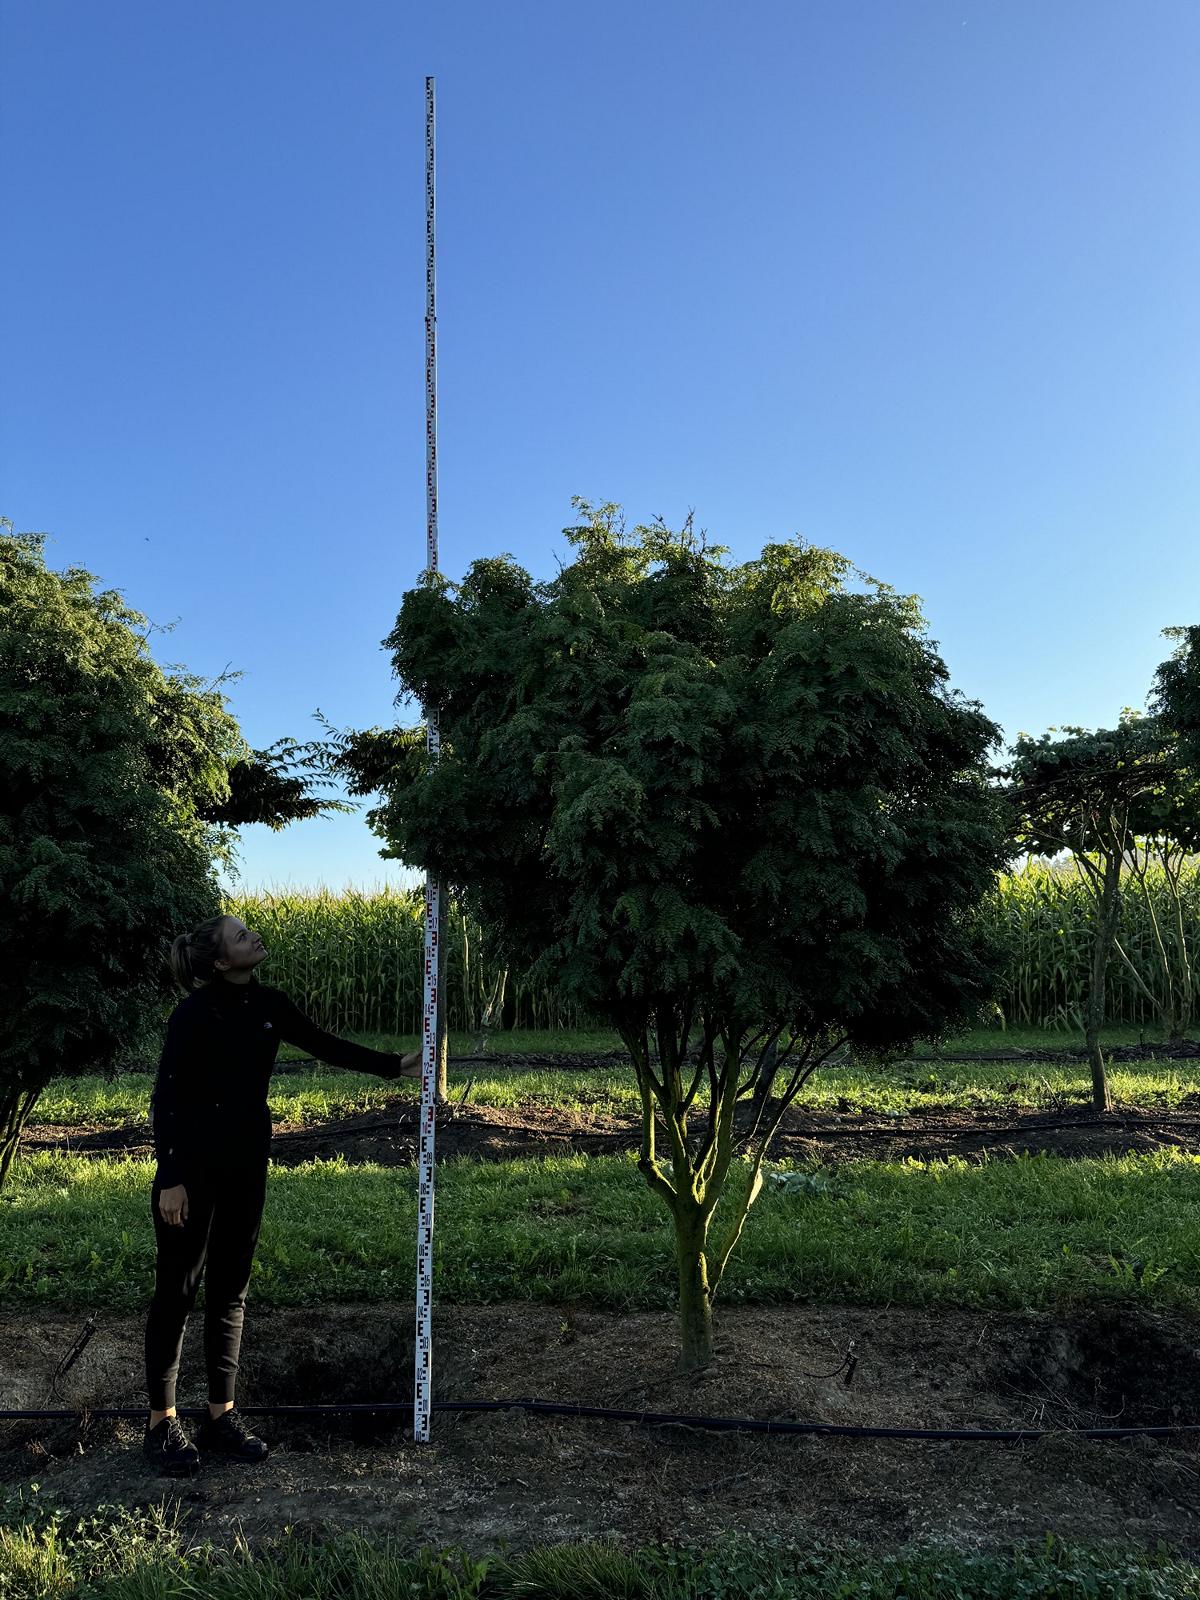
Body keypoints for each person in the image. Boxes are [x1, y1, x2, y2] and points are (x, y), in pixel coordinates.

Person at [142, 913, 423, 1476]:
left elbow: (323, 1044)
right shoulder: (193, 1013)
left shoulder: (270, 1004)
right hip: (191, 1171)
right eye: (242, 936)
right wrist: (169, 1175)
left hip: (247, 1164)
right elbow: (166, 1094)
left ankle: (221, 1415)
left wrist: (395, 1066)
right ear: (220, 961)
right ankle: (161, 1422)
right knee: (178, 1287)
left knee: (230, 1288)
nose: (254, 938)